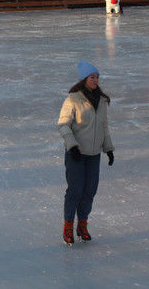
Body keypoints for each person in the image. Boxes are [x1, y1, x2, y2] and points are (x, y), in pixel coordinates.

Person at [57, 61, 114, 245]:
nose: (95, 80)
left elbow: (103, 126)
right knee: (75, 191)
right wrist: (72, 145)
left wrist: (109, 149)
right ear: (84, 79)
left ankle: (83, 224)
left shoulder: (102, 101)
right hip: (76, 153)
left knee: (89, 191)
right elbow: (63, 124)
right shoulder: (73, 99)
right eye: (92, 77)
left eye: (97, 77)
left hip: (94, 154)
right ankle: (68, 226)